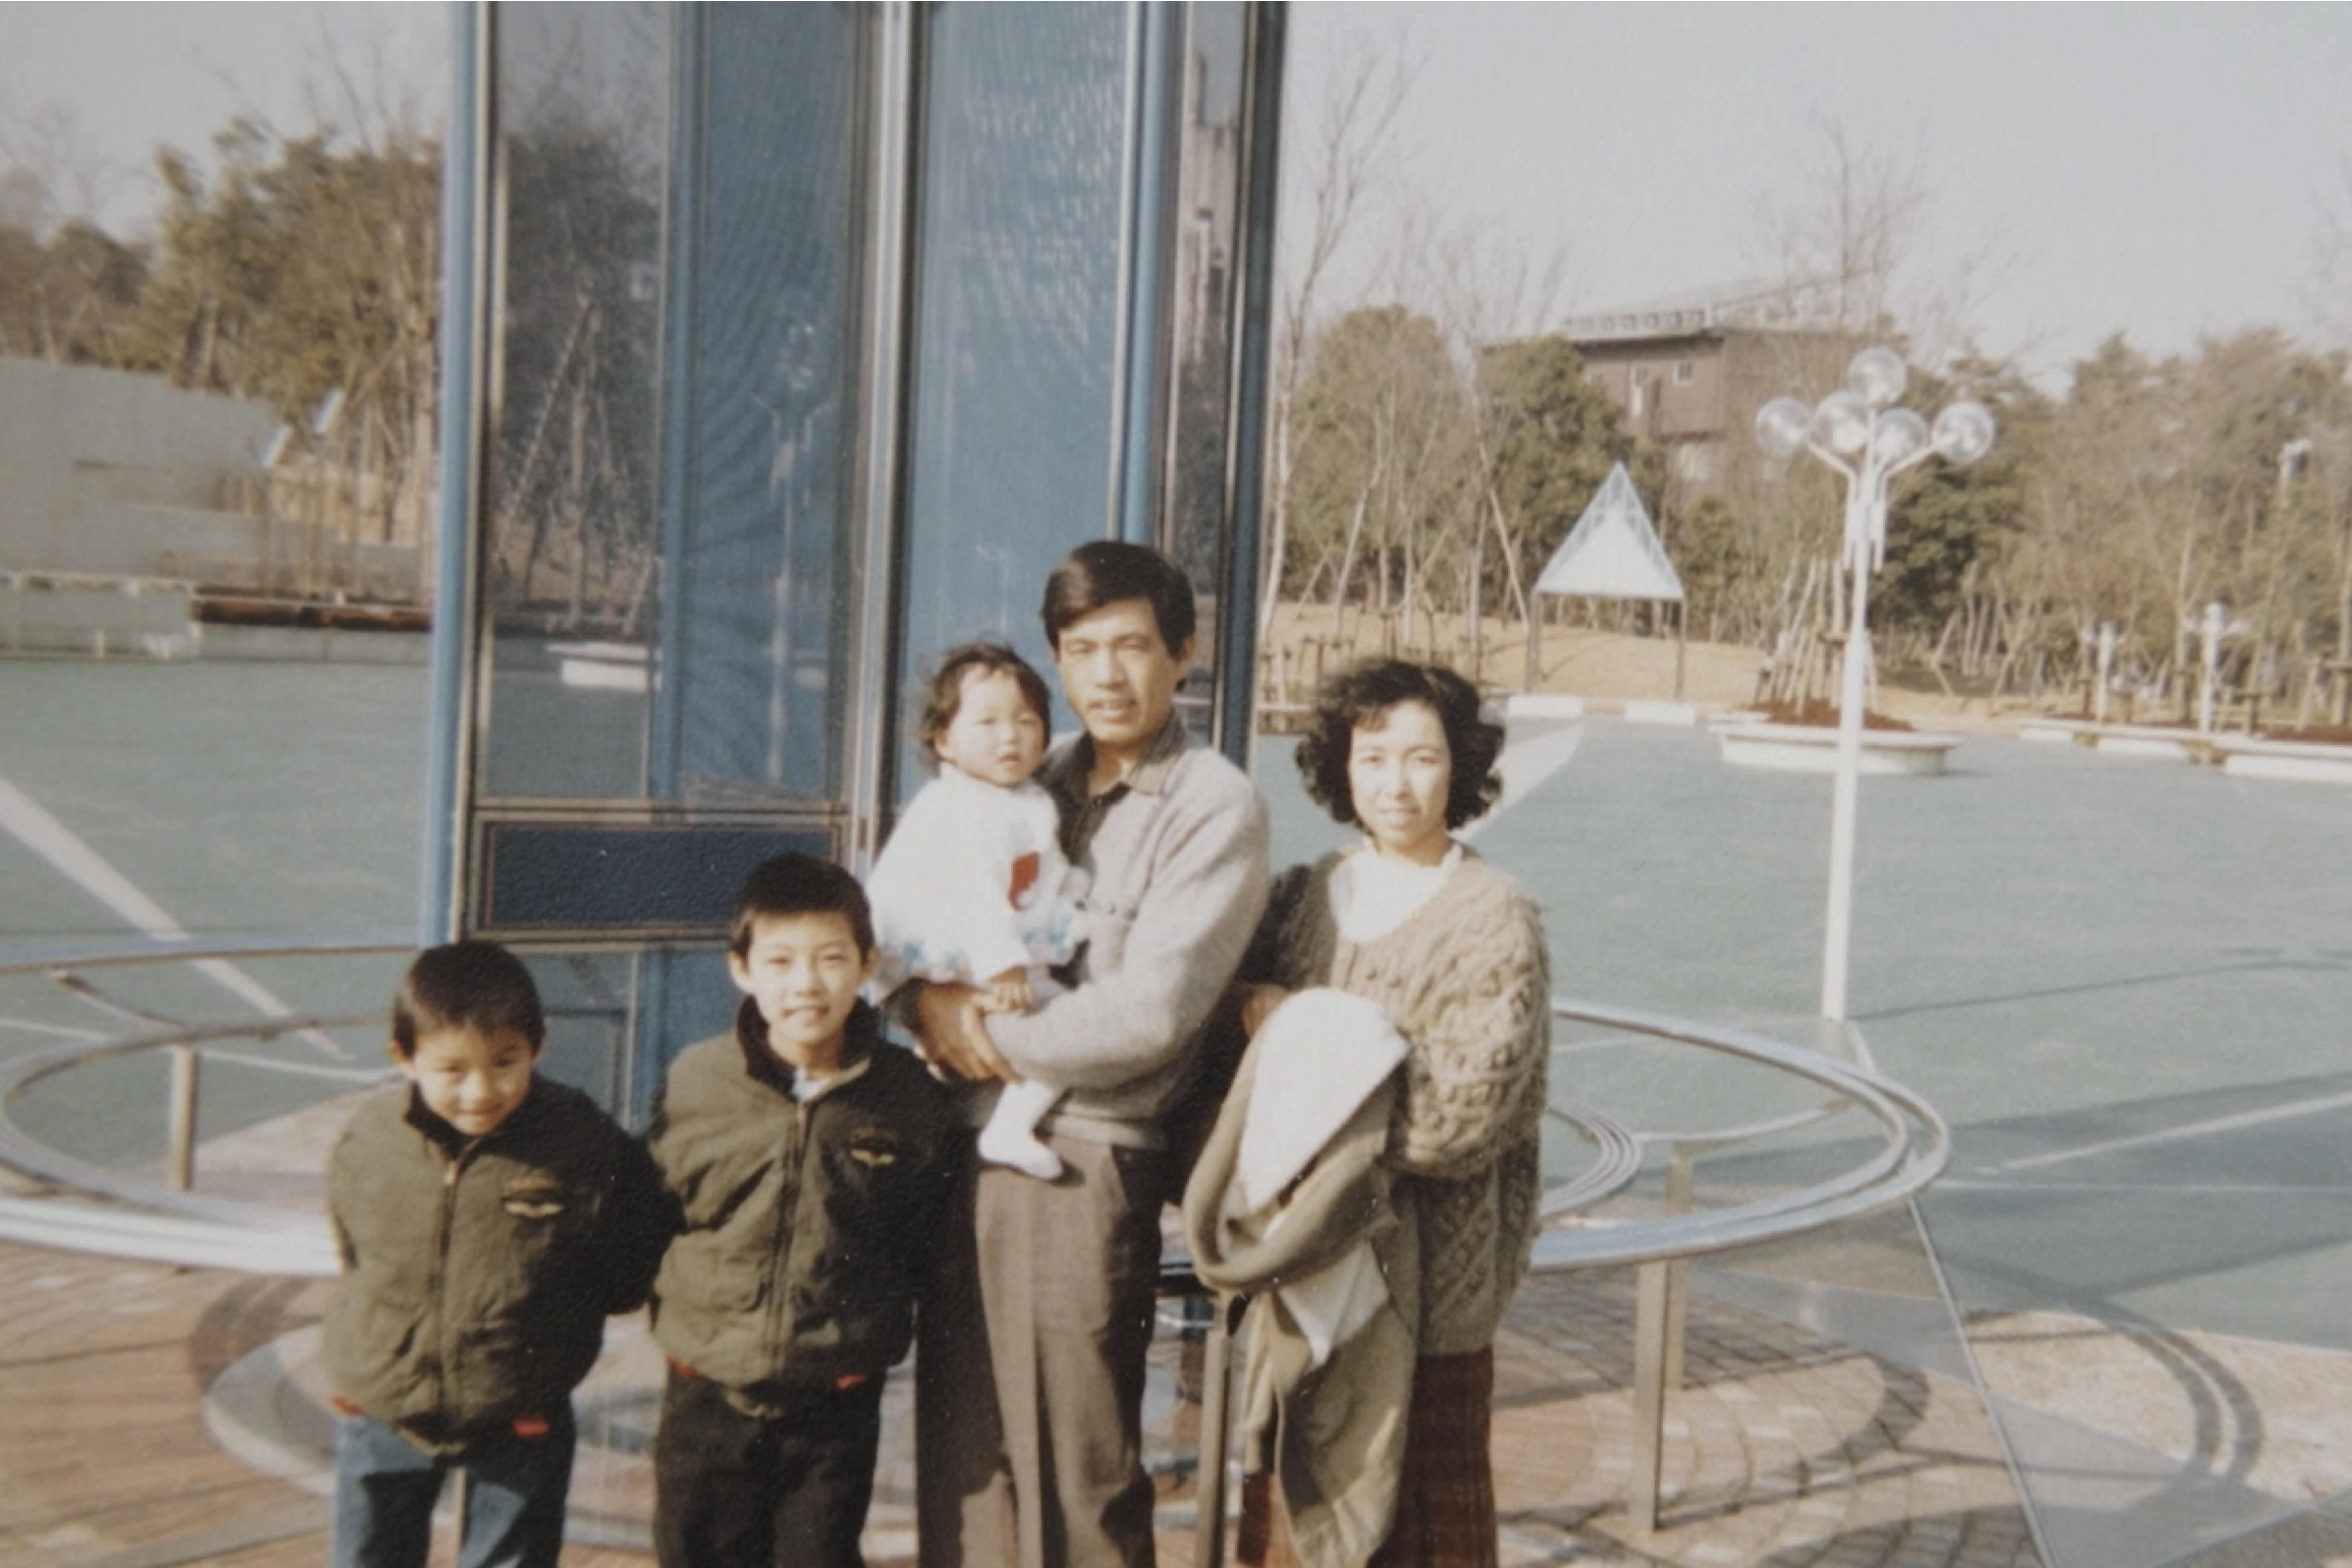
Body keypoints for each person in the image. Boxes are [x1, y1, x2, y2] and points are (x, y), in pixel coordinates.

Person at [903, 539, 1270, 1568]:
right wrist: (918, 997)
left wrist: (975, 1032)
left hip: (1086, 1155)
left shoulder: (1212, 804)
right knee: (969, 1465)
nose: (1105, 675)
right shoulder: (1025, 771)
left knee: (1079, 1474)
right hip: (966, 1139)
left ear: (1183, 652)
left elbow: (1149, 1014)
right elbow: (912, 899)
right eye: (1079, 649)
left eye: (1131, 647)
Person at [1218, 659, 1551, 1568]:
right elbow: (1223, 1030)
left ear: (1461, 766)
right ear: (1340, 766)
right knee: (1292, 1514)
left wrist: (1308, 1075)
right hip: (1305, 1271)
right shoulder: (1302, 895)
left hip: (1433, 1290)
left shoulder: (1494, 916)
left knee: (1422, 1534)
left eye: (1421, 758)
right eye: (1371, 757)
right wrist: (1258, 1004)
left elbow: (1463, 1114)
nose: (1394, 784)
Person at [647, 853, 956, 1568]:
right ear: (741, 968)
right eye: (780, 961)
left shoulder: (908, 1095)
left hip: (833, 1403)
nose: (806, 984)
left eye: (830, 959)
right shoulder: (697, 1080)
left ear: (868, 963)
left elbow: (926, 1241)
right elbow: (652, 1216)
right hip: (707, 1393)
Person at [323, 939, 670, 1568]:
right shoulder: (371, 1138)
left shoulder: (580, 1140)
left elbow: (626, 1255)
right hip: (384, 1406)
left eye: (505, 1061)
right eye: (451, 1069)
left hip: (519, 1412)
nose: (481, 1089)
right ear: (404, 1057)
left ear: (539, 1043)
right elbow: (354, 1246)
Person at [868, 640, 1088, 1181]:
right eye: (987, 722)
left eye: (1027, 721)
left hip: (983, 952)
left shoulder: (1020, 797)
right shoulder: (965, 809)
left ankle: (988, 1113)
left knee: (1049, 1029)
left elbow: (1043, 867)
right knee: (1068, 1030)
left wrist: (1072, 898)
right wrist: (1004, 963)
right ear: (944, 740)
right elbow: (976, 893)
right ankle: (1010, 1127)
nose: (1010, 736)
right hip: (967, 954)